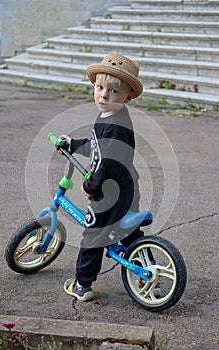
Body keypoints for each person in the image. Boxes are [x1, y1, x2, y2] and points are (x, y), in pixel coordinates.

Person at [60, 54, 145, 301]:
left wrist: (91, 185)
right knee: (129, 233)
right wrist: (73, 144)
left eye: (113, 91)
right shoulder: (110, 115)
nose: (104, 95)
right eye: (100, 87)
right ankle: (147, 272)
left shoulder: (116, 126)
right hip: (125, 188)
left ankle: (82, 285)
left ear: (128, 97)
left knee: (93, 234)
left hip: (110, 192)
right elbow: (98, 148)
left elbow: (107, 164)